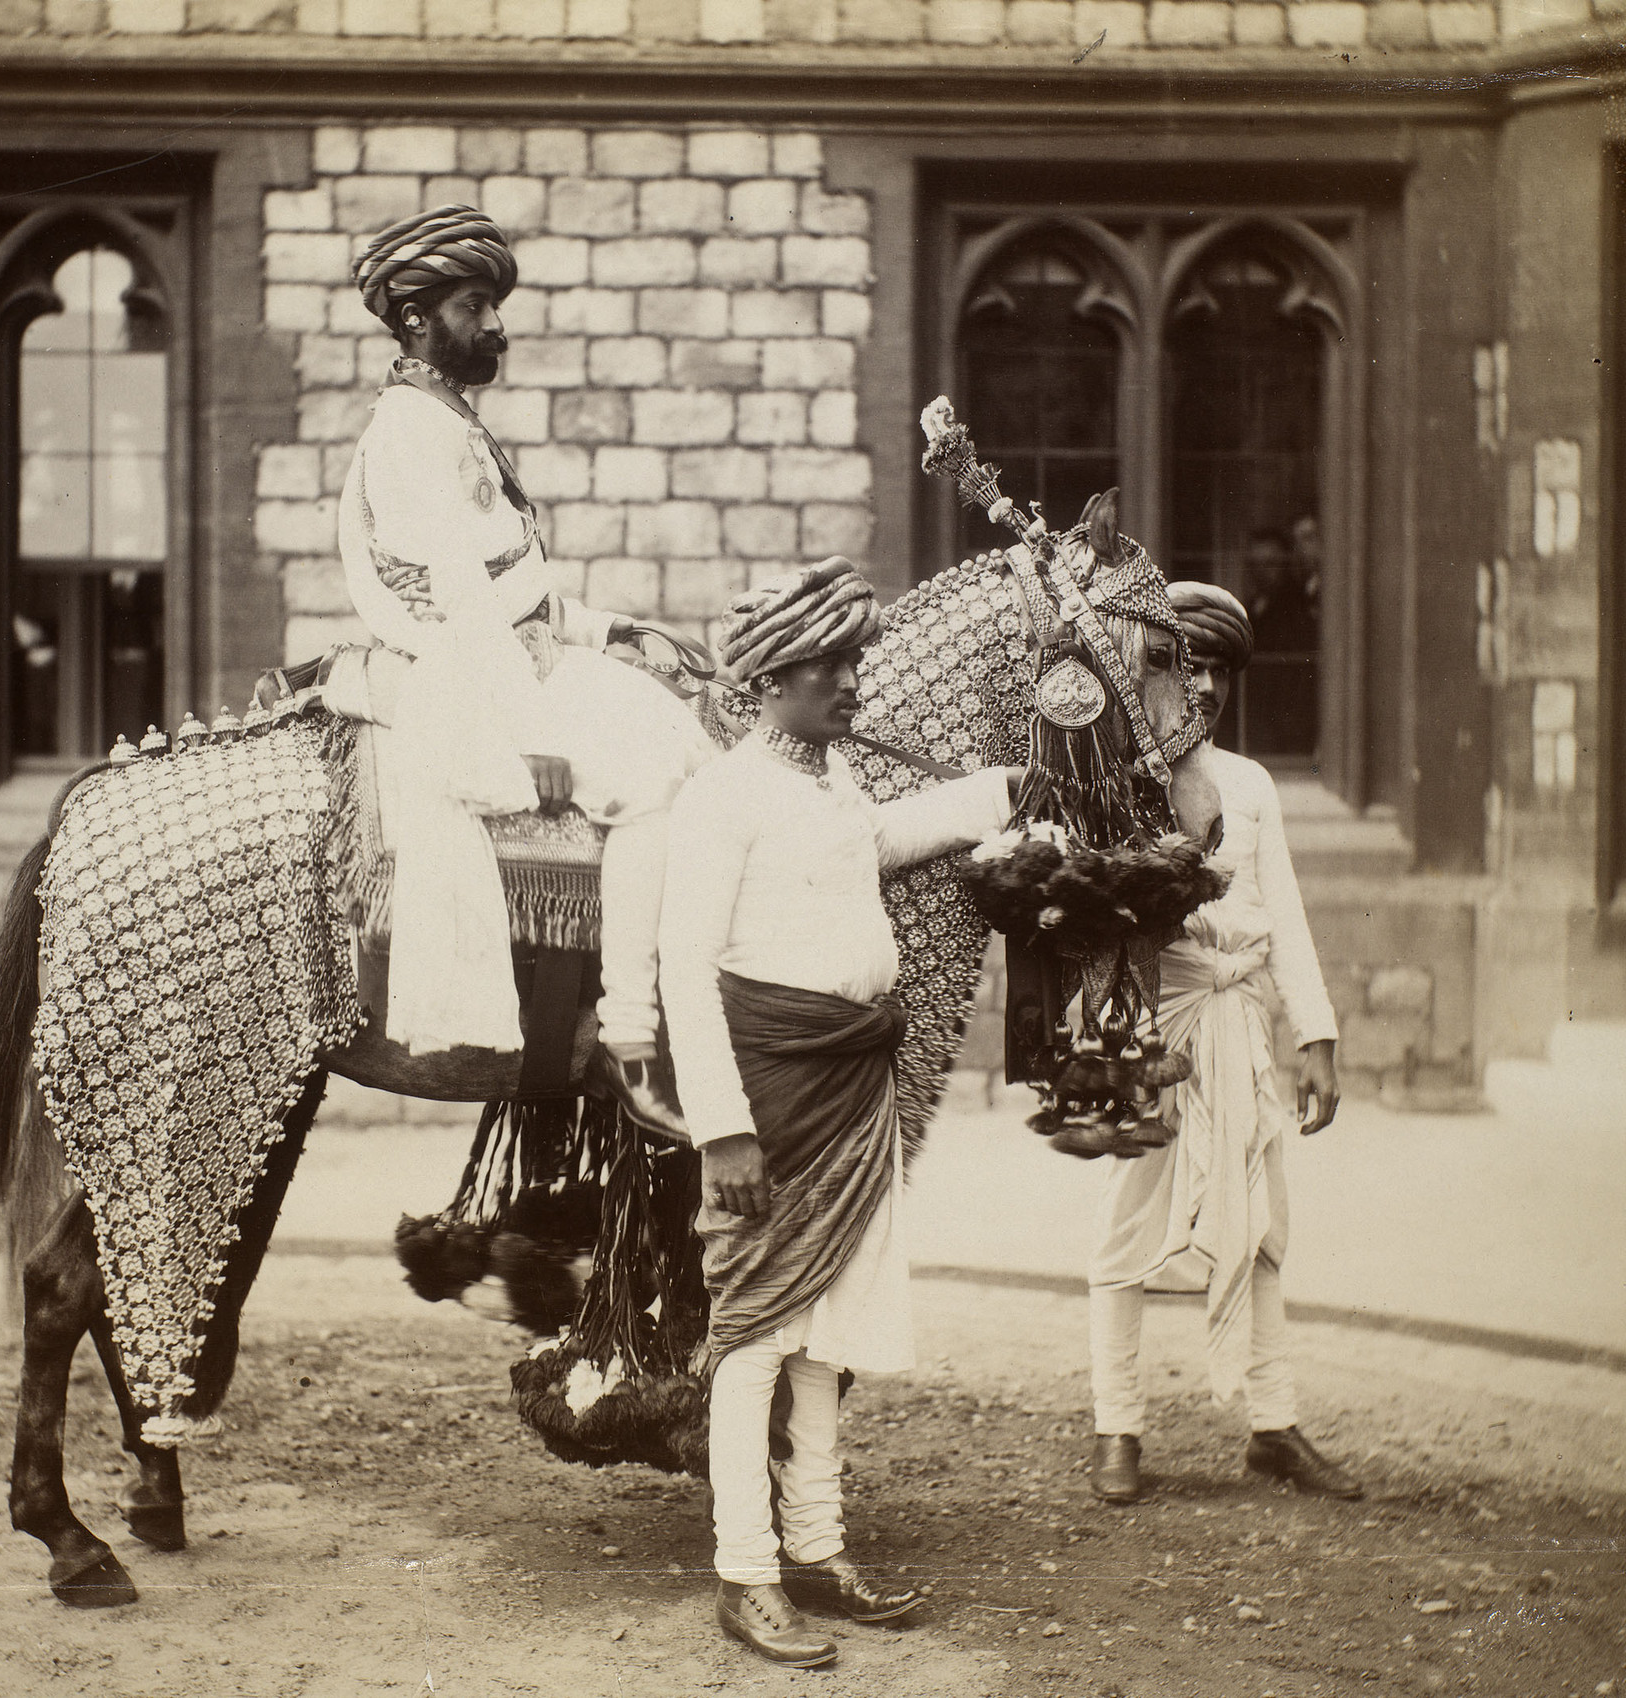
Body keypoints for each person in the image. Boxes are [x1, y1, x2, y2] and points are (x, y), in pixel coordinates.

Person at [660, 559, 1020, 1668]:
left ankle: (815, 1547)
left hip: (851, 1081)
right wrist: (720, 1127)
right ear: (770, 677)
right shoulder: (724, 794)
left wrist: (1002, 792)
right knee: (756, 1331)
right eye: (829, 666)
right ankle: (744, 1570)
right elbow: (683, 963)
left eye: (854, 662)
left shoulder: (826, 784)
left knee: (828, 1335)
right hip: (770, 1095)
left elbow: (869, 846)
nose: (850, 683)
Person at [337, 205, 709, 1136]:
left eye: (493, 306)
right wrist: (529, 732)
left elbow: (516, 589)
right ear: (416, 318)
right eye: (474, 306)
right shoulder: (409, 434)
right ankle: (632, 1041)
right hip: (472, 684)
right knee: (663, 779)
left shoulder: (450, 422)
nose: (495, 327)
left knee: (687, 724)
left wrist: (622, 628)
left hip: (511, 657)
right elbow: (460, 601)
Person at [1084, 580, 1360, 1505]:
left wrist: (1314, 1031)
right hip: (1155, 1023)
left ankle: (1271, 1425)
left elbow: (1280, 909)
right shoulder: (1113, 775)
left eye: (1221, 674)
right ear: (1152, 670)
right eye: (1185, 666)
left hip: (1239, 1019)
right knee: (1130, 1222)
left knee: (1264, 1219)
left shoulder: (1248, 784)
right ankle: (1116, 1427)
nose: (1202, 690)